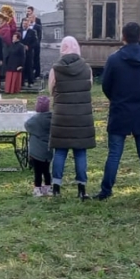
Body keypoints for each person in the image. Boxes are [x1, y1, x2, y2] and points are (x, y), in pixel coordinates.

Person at [95, 22, 140, 201]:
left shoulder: (114, 59)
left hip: (119, 110)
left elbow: (106, 85)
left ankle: (106, 190)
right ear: (139, 37)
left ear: (123, 36)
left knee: (114, 153)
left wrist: (116, 99)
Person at [48, 37, 95, 199]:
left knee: (60, 152)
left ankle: (56, 188)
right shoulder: (87, 68)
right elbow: (88, 87)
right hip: (82, 116)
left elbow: (51, 90)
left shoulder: (56, 69)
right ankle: (82, 189)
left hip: (62, 115)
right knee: (80, 152)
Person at [24, 95, 54, 196]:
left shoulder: (35, 120)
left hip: (36, 151)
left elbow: (27, 125)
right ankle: (48, 187)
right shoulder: (52, 118)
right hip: (48, 150)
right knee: (46, 170)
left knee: (37, 171)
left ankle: (37, 188)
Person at [22, 12, 42, 85]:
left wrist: (29, 47)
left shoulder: (32, 32)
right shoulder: (19, 31)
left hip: (30, 51)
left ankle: (31, 81)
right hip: (21, 51)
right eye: (23, 23)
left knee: (30, 65)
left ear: (28, 24)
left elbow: (36, 41)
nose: (24, 25)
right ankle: (22, 81)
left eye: (26, 23)